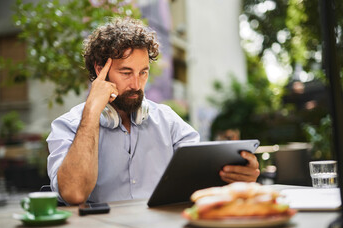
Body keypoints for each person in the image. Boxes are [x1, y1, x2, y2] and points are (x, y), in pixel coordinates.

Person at [47, 18, 260, 205]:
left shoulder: (168, 121)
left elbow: (201, 177)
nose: (136, 84)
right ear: (99, 69)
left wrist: (235, 176)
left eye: (143, 72)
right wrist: (92, 113)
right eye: (126, 72)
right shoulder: (68, 125)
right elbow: (73, 194)